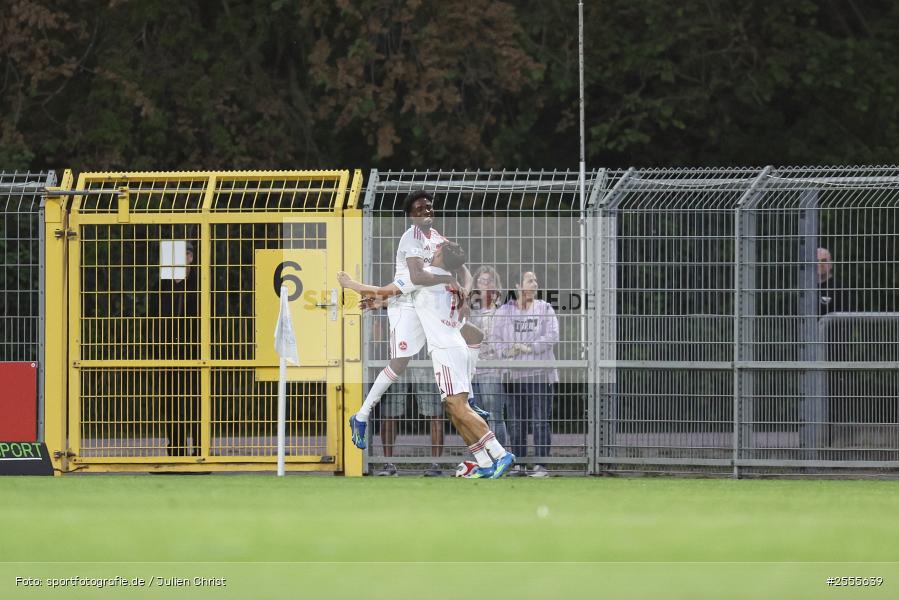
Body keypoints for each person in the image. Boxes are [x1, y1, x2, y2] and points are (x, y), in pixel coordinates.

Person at [339, 242, 515, 478]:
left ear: (440, 255)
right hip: (457, 346)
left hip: (446, 351)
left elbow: (383, 291)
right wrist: (384, 302)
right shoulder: (448, 280)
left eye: (437, 250)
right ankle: (484, 463)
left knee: (458, 408)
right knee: (453, 409)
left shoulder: (424, 277)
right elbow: (414, 302)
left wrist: (350, 284)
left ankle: (500, 453)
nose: (432, 252)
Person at [344, 191, 472, 457]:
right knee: (400, 362)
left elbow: (463, 269)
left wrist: (465, 293)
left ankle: (467, 399)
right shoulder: (410, 237)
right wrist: (448, 281)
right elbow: (416, 276)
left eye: (428, 206)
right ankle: (362, 414)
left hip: (422, 299)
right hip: (405, 303)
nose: (426, 210)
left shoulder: (438, 238)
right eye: (419, 208)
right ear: (411, 215)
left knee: (456, 340)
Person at [494, 270, 559, 477]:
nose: (535, 284)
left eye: (535, 280)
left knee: (541, 420)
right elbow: (494, 338)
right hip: (514, 375)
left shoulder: (545, 308)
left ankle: (541, 466)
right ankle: (519, 464)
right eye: (530, 280)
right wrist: (507, 351)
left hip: (540, 374)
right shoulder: (504, 312)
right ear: (518, 285)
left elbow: (552, 335)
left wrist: (529, 348)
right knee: (516, 422)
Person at [158, 241, 200, 457]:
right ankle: (175, 448)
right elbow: (155, 315)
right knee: (171, 400)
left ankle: (201, 448)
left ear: (190, 257)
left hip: (196, 350)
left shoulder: (200, 282)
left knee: (198, 399)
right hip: (168, 351)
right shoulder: (162, 284)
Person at [468, 265, 509, 447]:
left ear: (494, 284)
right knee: (475, 419)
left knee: (494, 416)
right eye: (480, 281)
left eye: (488, 281)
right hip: (472, 369)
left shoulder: (502, 310)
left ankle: (499, 457)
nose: (483, 284)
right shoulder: (470, 308)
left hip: (492, 369)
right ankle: (480, 459)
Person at [818, 247, 851, 315]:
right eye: (816, 261)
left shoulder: (840, 288)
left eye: (824, 261)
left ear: (831, 264)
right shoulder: (805, 288)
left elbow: (846, 318)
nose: (820, 264)